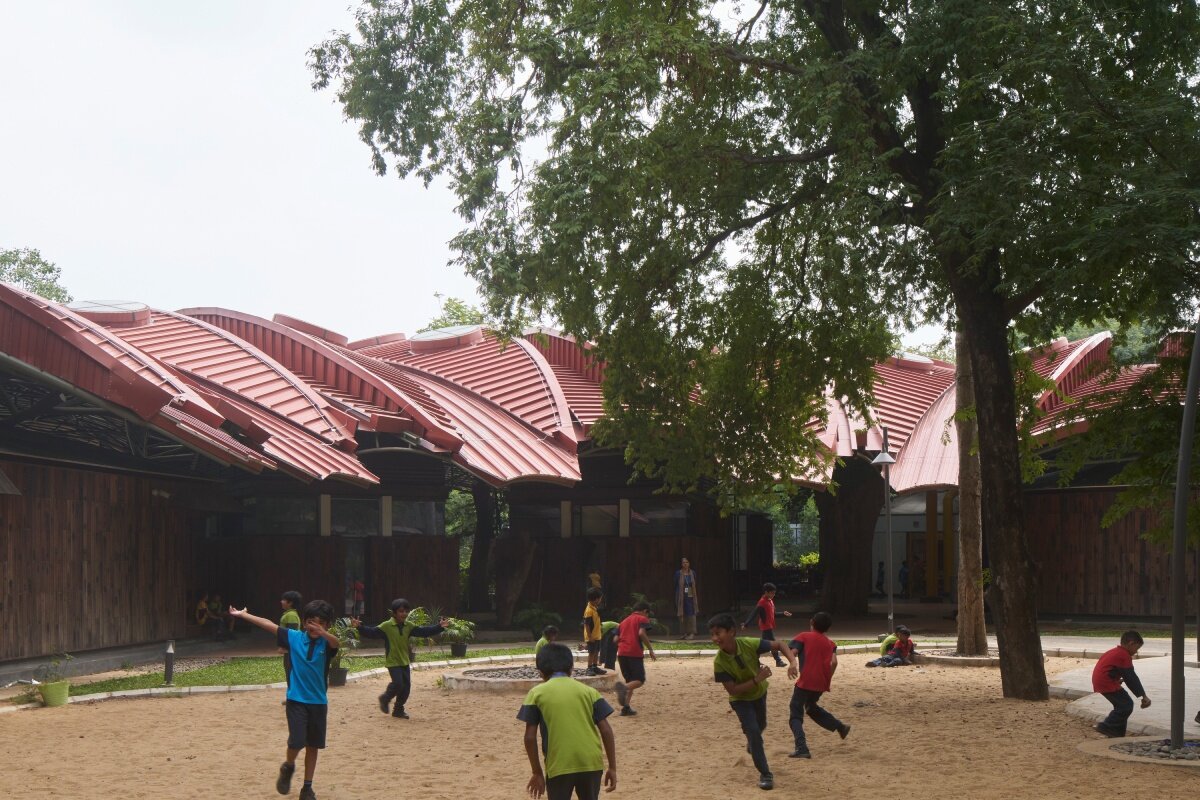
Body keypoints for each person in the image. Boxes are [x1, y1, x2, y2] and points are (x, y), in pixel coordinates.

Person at [229, 599, 339, 800]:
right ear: (304, 622)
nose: (315, 626)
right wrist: (243, 615)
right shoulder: (294, 638)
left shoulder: (327, 643)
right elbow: (268, 624)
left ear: (327, 625)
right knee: (296, 742)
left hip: (319, 703)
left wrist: (323, 633)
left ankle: (307, 787)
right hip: (296, 700)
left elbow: (336, 643)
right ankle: (288, 766)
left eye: (321, 622)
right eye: (311, 621)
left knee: (313, 746)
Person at [709, 612, 797, 791]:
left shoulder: (748, 644)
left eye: (718, 633)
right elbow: (733, 690)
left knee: (761, 725)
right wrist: (758, 678)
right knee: (754, 732)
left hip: (759, 694)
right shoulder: (719, 662)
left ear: (732, 632)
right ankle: (765, 773)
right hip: (740, 700)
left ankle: (752, 740)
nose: (714, 638)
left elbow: (780, 644)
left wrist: (793, 662)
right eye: (713, 634)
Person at [518, 642, 617, 800]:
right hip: (591, 763)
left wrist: (537, 772)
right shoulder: (590, 692)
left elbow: (529, 737)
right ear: (571, 668)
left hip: (559, 765)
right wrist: (612, 767)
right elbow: (606, 730)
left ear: (540, 672)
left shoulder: (536, 694)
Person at [353, 599, 447, 719]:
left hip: (404, 660)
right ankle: (385, 698)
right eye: (401, 611)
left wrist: (439, 627)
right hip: (393, 661)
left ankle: (398, 710)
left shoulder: (409, 626)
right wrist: (360, 627)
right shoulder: (386, 626)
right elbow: (372, 632)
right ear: (394, 613)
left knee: (406, 688)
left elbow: (423, 631)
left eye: (406, 611)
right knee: (398, 683)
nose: (404, 614)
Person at [787, 612, 850, 758]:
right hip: (821, 682)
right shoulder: (831, 643)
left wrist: (792, 663)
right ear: (827, 629)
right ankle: (840, 727)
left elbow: (793, 651)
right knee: (811, 707)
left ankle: (801, 747)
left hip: (805, 681)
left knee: (795, 712)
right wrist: (827, 678)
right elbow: (834, 662)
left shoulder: (803, 636)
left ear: (811, 622)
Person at [1092, 630, 1151, 738]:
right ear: (1131, 643)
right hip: (1106, 682)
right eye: (1137, 648)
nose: (1136, 652)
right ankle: (1106, 726)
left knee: (1122, 706)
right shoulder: (1123, 655)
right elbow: (1131, 678)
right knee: (1126, 705)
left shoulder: (1115, 651)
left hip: (1102, 680)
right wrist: (1143, 695)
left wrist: (1115, 678)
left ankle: (1117, 734)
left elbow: (1109, 668)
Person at [613, 601, 657, 717]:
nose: (647, 616)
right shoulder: (642, 619)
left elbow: (615, 640)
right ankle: (623, 688)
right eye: (647, 614)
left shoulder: (622, 622)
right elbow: (642, 633)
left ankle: (626, 708)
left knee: (630, 680)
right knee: (639, 680)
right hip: (634, 652)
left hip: (622, 653)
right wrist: (650, 649)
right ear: (645, 611)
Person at [742, 582, 792, 667]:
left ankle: (753, 657)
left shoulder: (770, 601)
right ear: (766, 592)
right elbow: (754, 613)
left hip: (769, 626)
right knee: (773, 644)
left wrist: (783, 613)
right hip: (766, 627)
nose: (773, 595)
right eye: (772, 593)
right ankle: (778, 661)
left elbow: (773, 614)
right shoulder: (762, 603)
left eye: (774, 593)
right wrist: (746, 624)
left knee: (764, 646)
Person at [279, 590, 304, 691]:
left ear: (290, 603)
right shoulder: (289, 614)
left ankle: (293, 698)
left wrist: (286, 648)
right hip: (290, 650)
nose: (281, 601)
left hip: (291, 650)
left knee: (291, 673)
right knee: (290, 672)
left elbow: (291, 634)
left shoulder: (291, 615)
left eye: (284, 600)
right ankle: (292, 696)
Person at [582, 587, 607, 676]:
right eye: (600, 599)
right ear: (596, 599)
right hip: (591, 636)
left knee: (596, 651)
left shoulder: (595, 608)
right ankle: (589, 667)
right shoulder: (589, 610)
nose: (600, 600)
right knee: (591, 652)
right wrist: (590, 636)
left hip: (597, 635)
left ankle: (594, 666)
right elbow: (587, 624)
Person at [674, 557, 699, 639]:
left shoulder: (692, 573)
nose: (685, 564)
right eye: (683, 562)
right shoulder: (678, 573)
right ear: (681, 564)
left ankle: (692, 632)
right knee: (682, 613)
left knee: (691, 612)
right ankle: (684, 633)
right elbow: (675, 584)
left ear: (689, 563)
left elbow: (694, 583)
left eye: (687, 562)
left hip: (690, 593)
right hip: (681, 595)